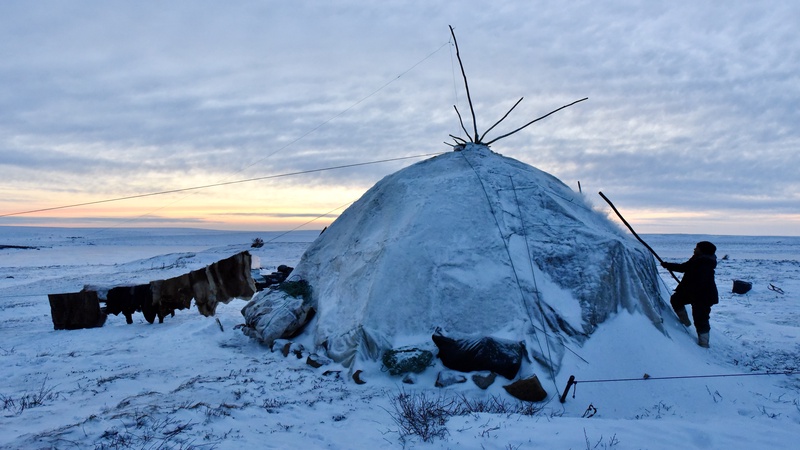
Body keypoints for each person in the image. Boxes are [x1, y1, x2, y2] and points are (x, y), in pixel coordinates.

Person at [661, 241, 719, 348]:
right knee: (676, 299)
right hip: (694, 293)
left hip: (704, 296)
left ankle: (704, 343)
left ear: (703, 250)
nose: (694, 249)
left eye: (697, 247)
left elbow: (696, 279)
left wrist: (685, 289)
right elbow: (685, 267)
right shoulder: (698, 259)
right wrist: (668, 265)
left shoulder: (704, 263)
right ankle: (685, 322)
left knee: (701, 318)